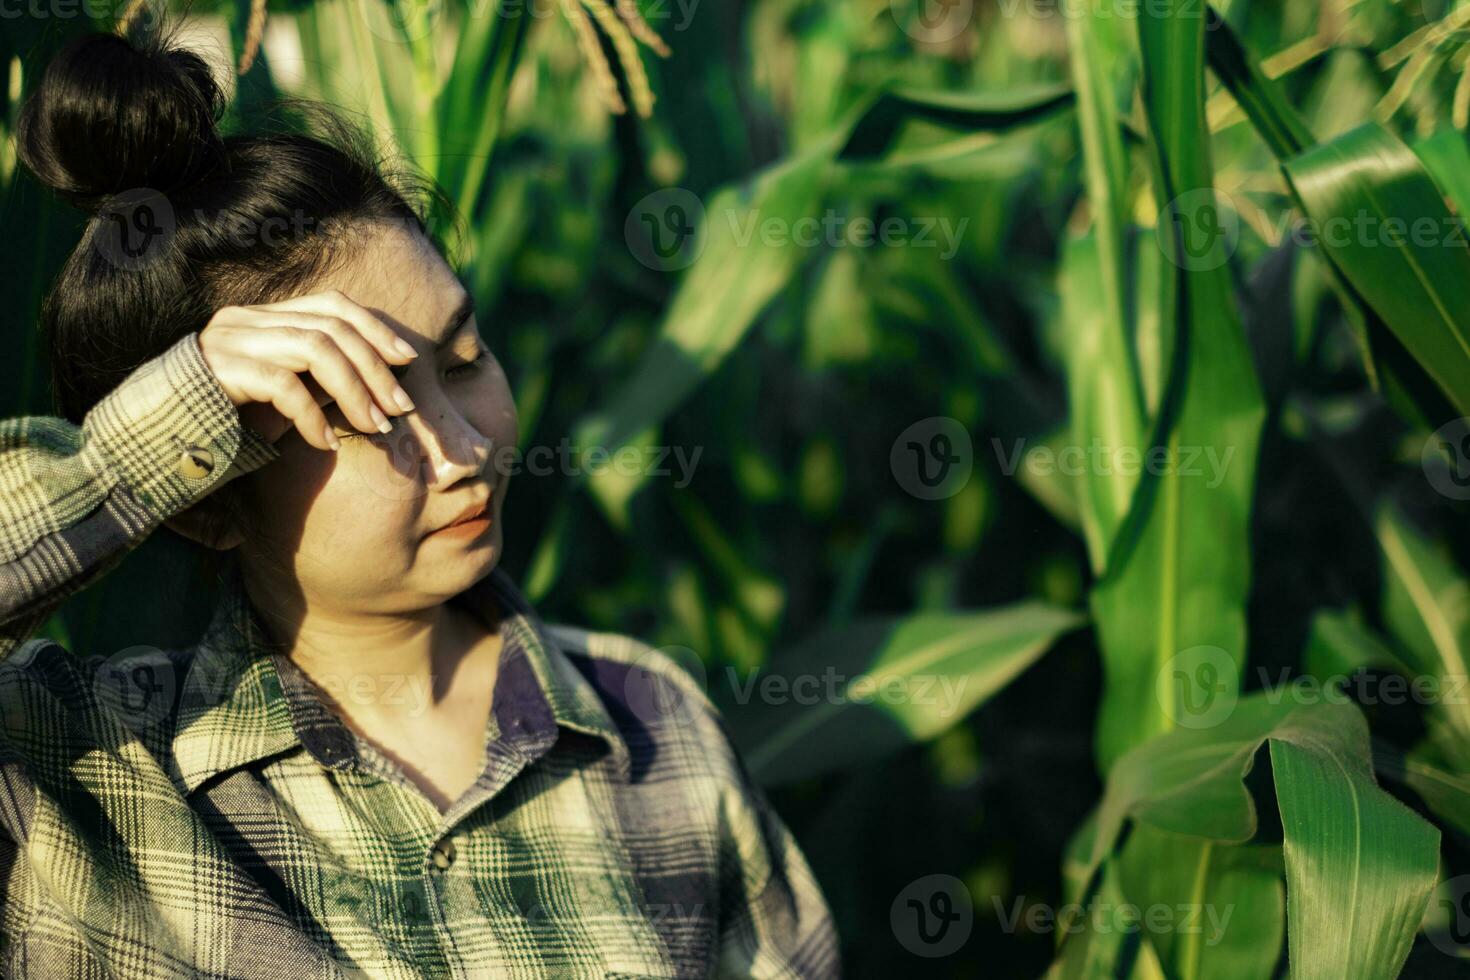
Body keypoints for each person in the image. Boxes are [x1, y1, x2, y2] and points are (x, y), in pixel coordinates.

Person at [0, 23, 839, 979]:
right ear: (205, 494)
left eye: (465, 362)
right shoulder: (73, 771)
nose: (466, 449)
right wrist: (161, 424)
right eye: (368, 412)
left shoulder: (652, 728)